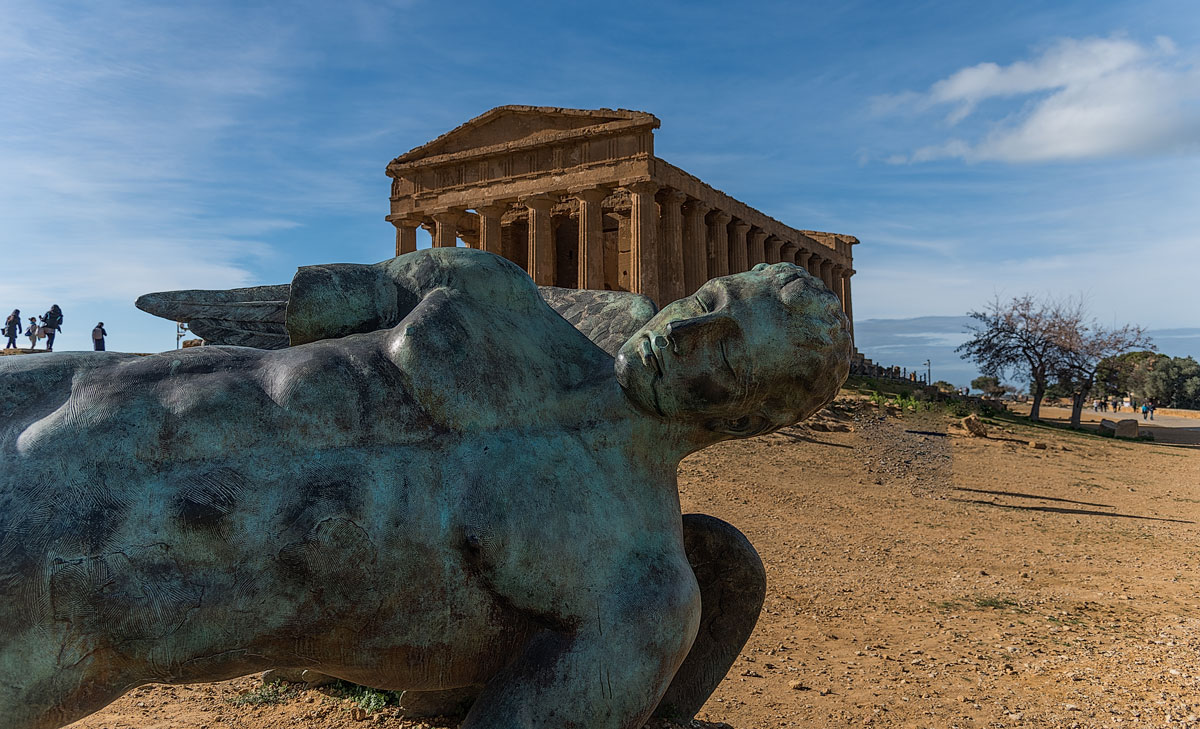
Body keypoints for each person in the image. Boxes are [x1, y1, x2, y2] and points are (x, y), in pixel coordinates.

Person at [0, 249, 851, 729]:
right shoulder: (496, 291)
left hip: (76, 605)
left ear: (750, 418)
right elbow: (304, 308)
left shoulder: (639, 593)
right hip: (75, 394)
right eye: (709, 299)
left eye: (728, 355)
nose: (688, 333)